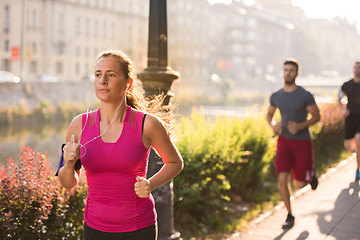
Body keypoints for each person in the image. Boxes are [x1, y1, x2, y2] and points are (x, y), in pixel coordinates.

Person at [56, 49, 184, 240]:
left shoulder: (146, 124)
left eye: (111, 75)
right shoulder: (78, 125)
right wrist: (68, 163)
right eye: (98, 74)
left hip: (139, 228)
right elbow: (68, 182)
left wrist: (150, 184)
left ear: (128, 83)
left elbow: (175, 162)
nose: (102, 81)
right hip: (94, 228)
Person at [266, 58, 320, 229]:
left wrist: (300, 126)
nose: (287, 73)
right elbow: (269, 114)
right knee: (282, 178)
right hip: (284, 141)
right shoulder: (276, 96)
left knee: (299, 184)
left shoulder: (305, 95)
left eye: (291, 70)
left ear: (297, 73)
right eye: (285, 70)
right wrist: (273, 125)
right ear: (282, 72)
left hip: (302, 141)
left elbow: (317, 116)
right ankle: (289, 214)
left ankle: (310, 175)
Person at [338, 61, 360, 181]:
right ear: (353, 70)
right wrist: (342, 109)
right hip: (350, 118)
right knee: (349, 146)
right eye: (356, 67)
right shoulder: (347, 85)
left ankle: (358, 169)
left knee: (358, 140)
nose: (357, 70)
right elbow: (339, 97)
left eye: (359, 68)